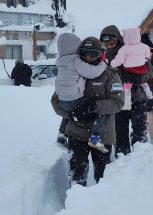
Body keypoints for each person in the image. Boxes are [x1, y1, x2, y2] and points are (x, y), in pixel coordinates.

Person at [51, 36, 124, 186]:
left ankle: (101, 207)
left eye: (93, 54)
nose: (88, 58)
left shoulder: (111, 75)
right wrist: (72, 114)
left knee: (103, 178)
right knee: (77, 176)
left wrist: (94, 107)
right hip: (76, 132)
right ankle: (76, 207)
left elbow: (118, 103)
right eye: (84, 54)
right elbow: (56, 101)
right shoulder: (72, 70)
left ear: (101, 54)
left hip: (103, 134)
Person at [54, 32, 108, 152]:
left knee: (69, 114)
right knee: (98, 111)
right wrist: (103, 64)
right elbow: (92, 72)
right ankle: (95, 137)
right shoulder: (75, 60)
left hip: (62, 100)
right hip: (75, 97)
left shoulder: (60, 61)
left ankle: (61, 135)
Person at [100, 25, 148, 157]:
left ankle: (141, 159)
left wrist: (138, 77)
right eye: (105, 41)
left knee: (140, 132)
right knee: (120, 134)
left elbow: (149, 69)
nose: (109, 44)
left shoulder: (131, 48)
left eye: (112, 41)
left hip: (137, 97)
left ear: (118, 39)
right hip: (118, 101)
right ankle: (122, 161)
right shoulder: (101, 56)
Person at [110, 27, 153, 104]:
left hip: (129, 70)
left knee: (127, 86)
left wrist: (112, 64)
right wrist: (144, 58)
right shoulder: (143, 46)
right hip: (141, 68)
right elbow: (147, 55)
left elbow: (120, 60)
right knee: (143, 82)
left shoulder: (124, 48)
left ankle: (126, 103)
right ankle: (148, 93)